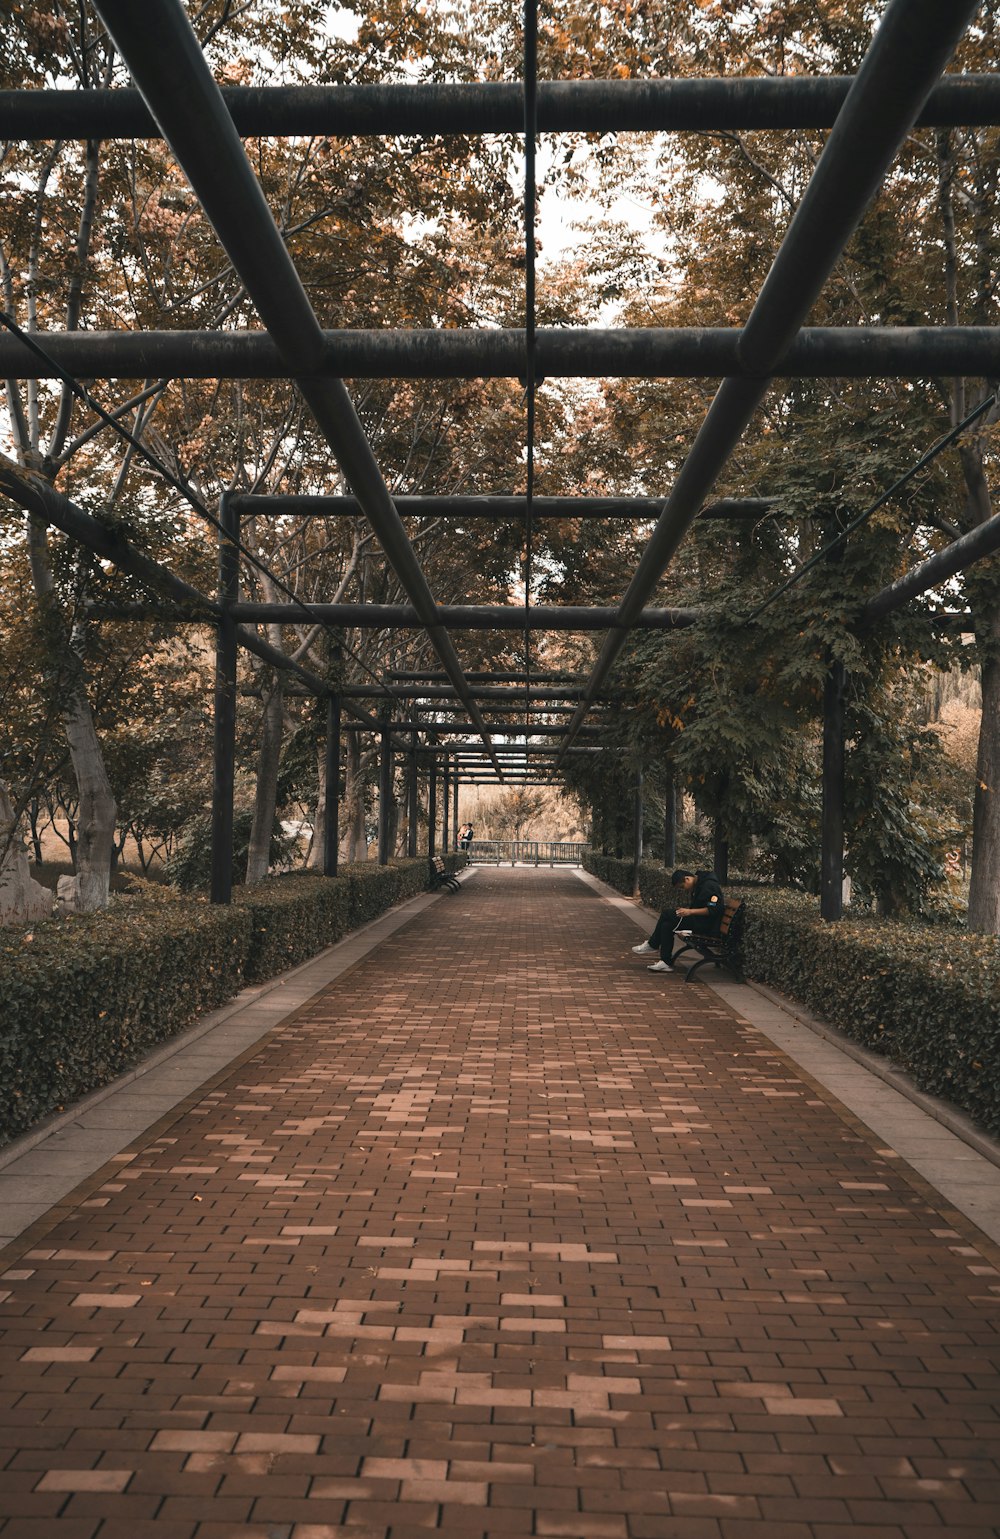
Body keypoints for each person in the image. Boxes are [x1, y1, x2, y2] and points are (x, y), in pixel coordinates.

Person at [632, 867, 724, 973]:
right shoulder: (699, 884)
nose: (684, 889)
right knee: (666, 925)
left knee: (667, 913)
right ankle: (665, 962)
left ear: (687, 879)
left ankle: (653, 944)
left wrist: (690, 912)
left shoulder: (709, 886)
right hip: (699, 921)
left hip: (707, 926)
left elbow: (714, 910)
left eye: (682, 886)